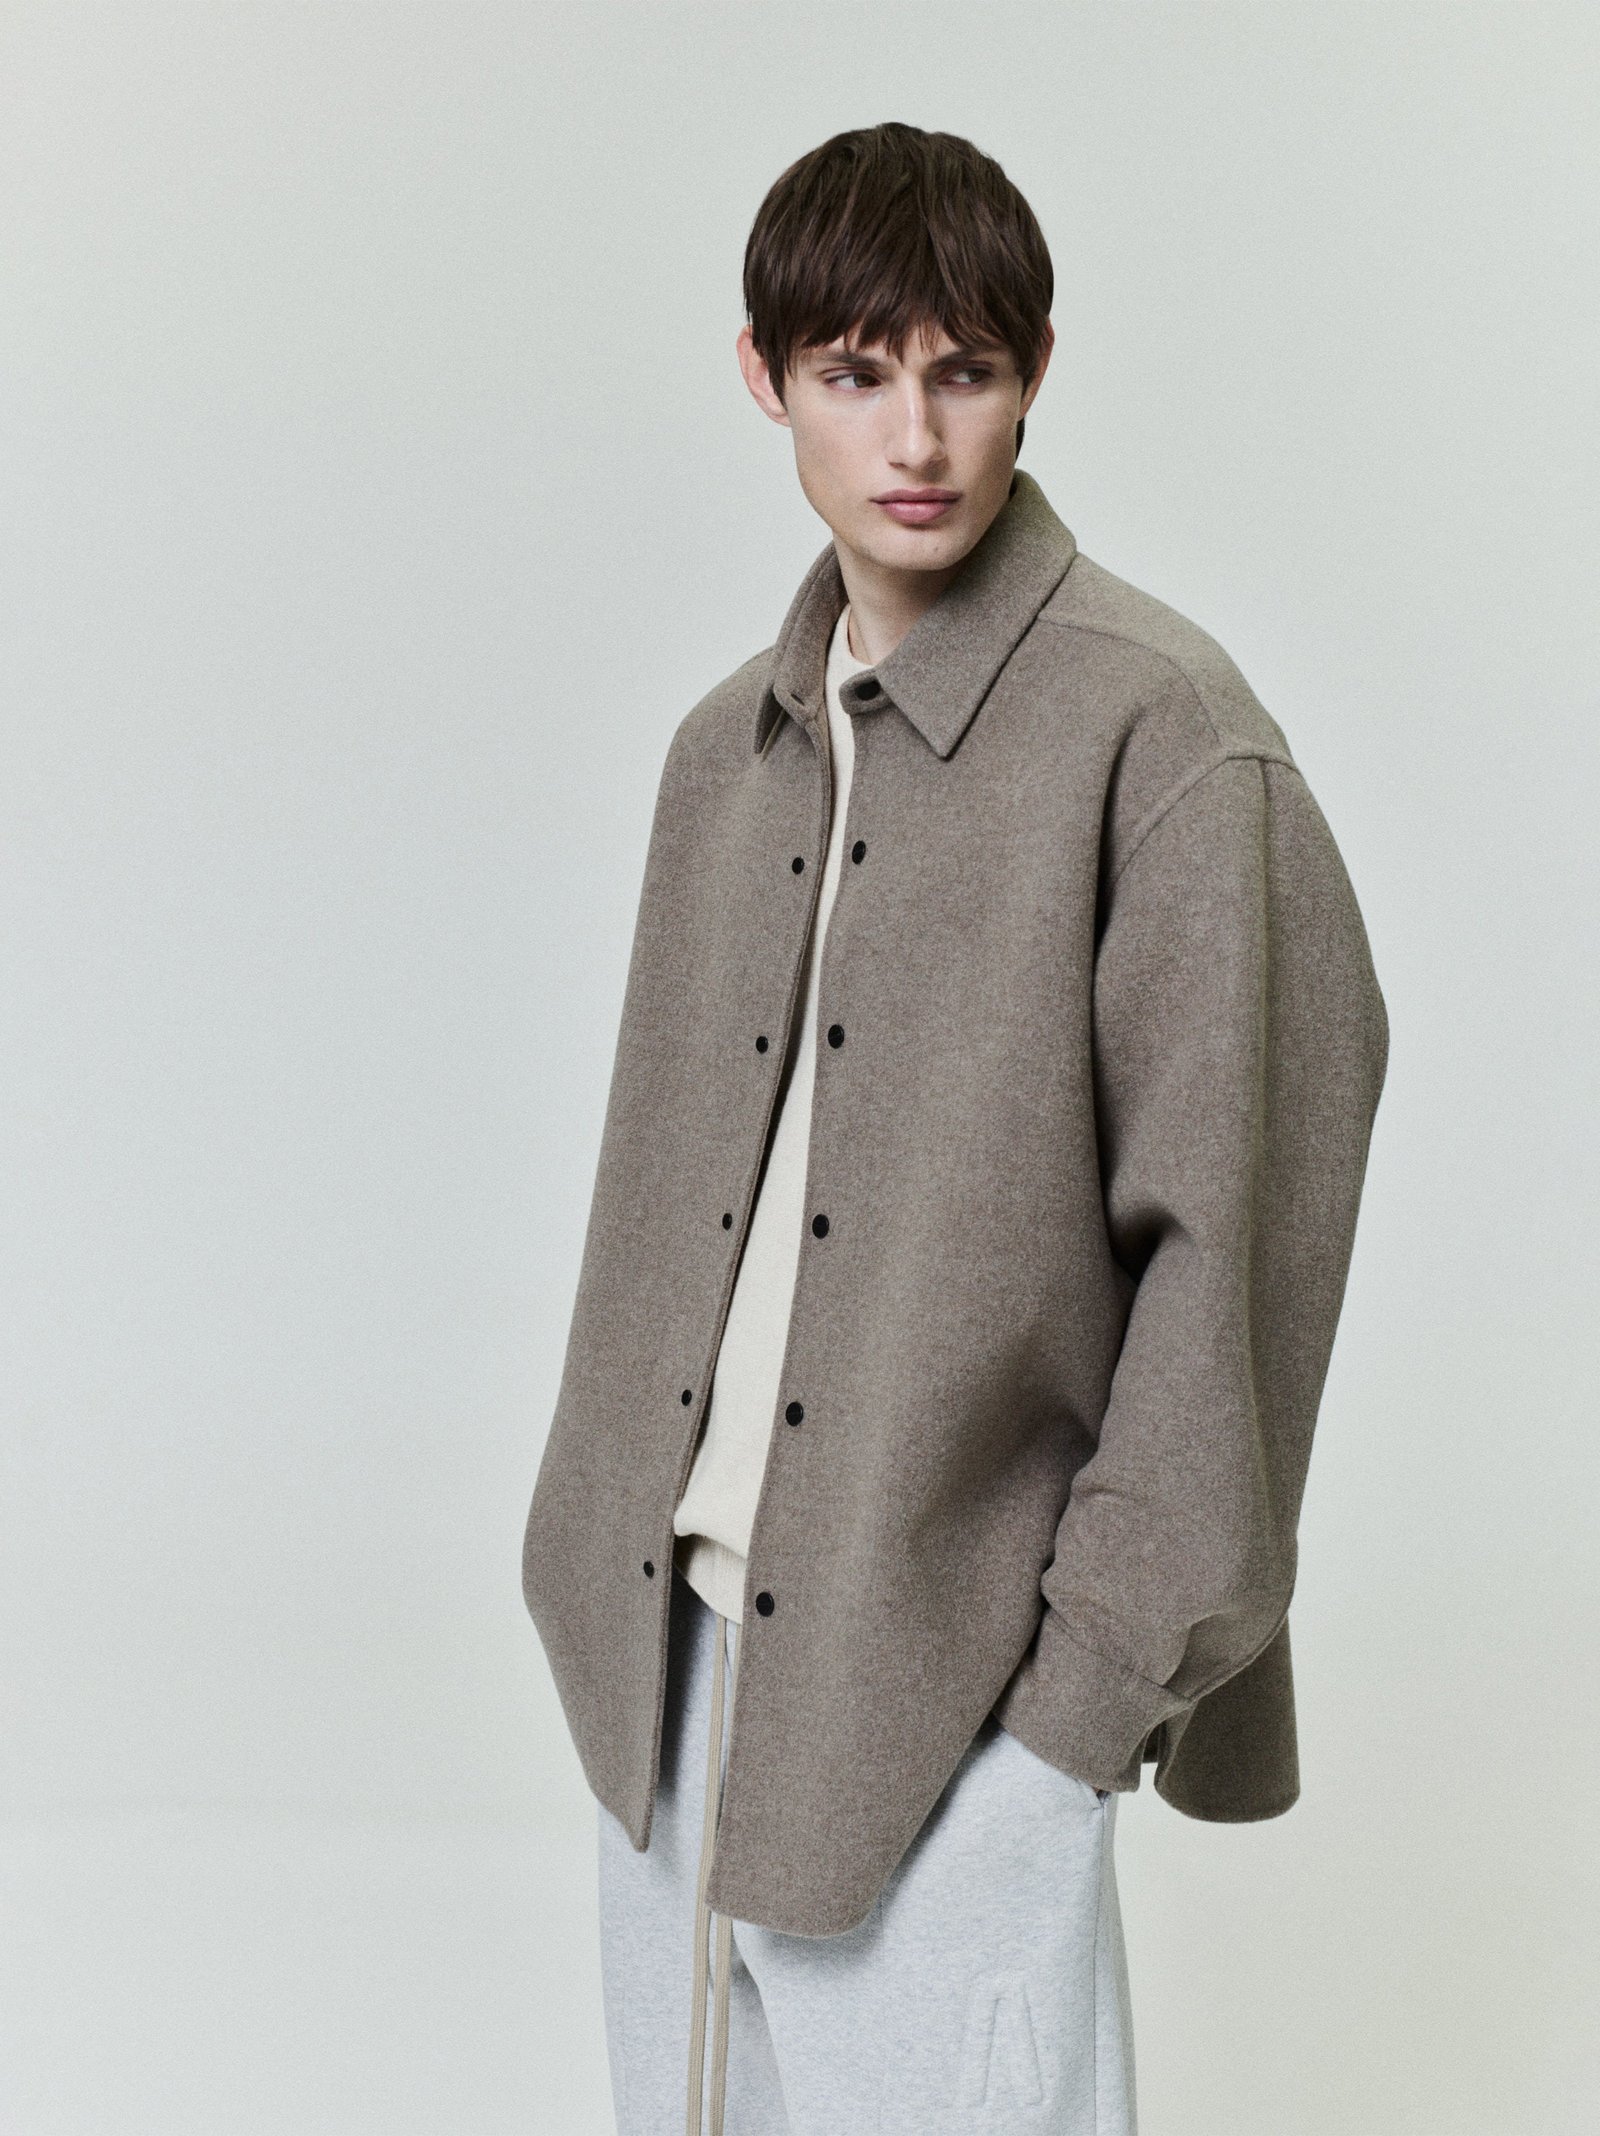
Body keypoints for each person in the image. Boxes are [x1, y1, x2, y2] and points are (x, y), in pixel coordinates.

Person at [521, 121, 1389, 2135]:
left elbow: (1241, 1275)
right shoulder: (722, 759)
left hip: (958, 1703)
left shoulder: (1166, 743)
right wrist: (584, 1570)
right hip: (660, 1682)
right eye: (853, 372)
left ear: (1033, 372)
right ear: (765, 379)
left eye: (963, 370)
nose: (913, 436)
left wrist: (1068, 1734)